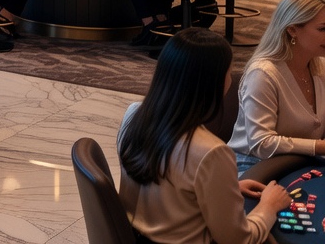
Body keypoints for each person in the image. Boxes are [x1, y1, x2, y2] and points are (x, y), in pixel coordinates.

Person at [117, 29, 289, 244]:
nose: (231, 77)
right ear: (214, 82)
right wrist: (268, 206)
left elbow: (166, 182)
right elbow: (238, 239)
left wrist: (225, 188)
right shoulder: (212, 152)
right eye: (229, 71)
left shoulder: (133, 114)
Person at [228, 0, 325, 174]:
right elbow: (261, 144)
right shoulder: (263, 74)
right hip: (253, 167)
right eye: (323, 29)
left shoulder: (319, 65)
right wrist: (319, 147)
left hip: (301, 162)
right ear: (292, 30)